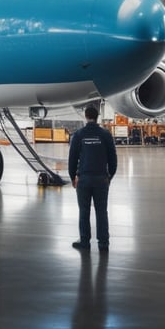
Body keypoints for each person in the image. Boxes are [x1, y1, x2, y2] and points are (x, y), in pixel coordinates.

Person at [68, 105, 117, 253]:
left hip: (84, 179)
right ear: (97, 117)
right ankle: (103, 243)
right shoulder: (105, 135)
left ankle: (84, 241)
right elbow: (113, 158)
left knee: (84, 211)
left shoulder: (78, 135)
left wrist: (72, 177)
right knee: (102, 211)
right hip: (101, 179)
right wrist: (110, 176)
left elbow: (72, 159)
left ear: (86, 116)